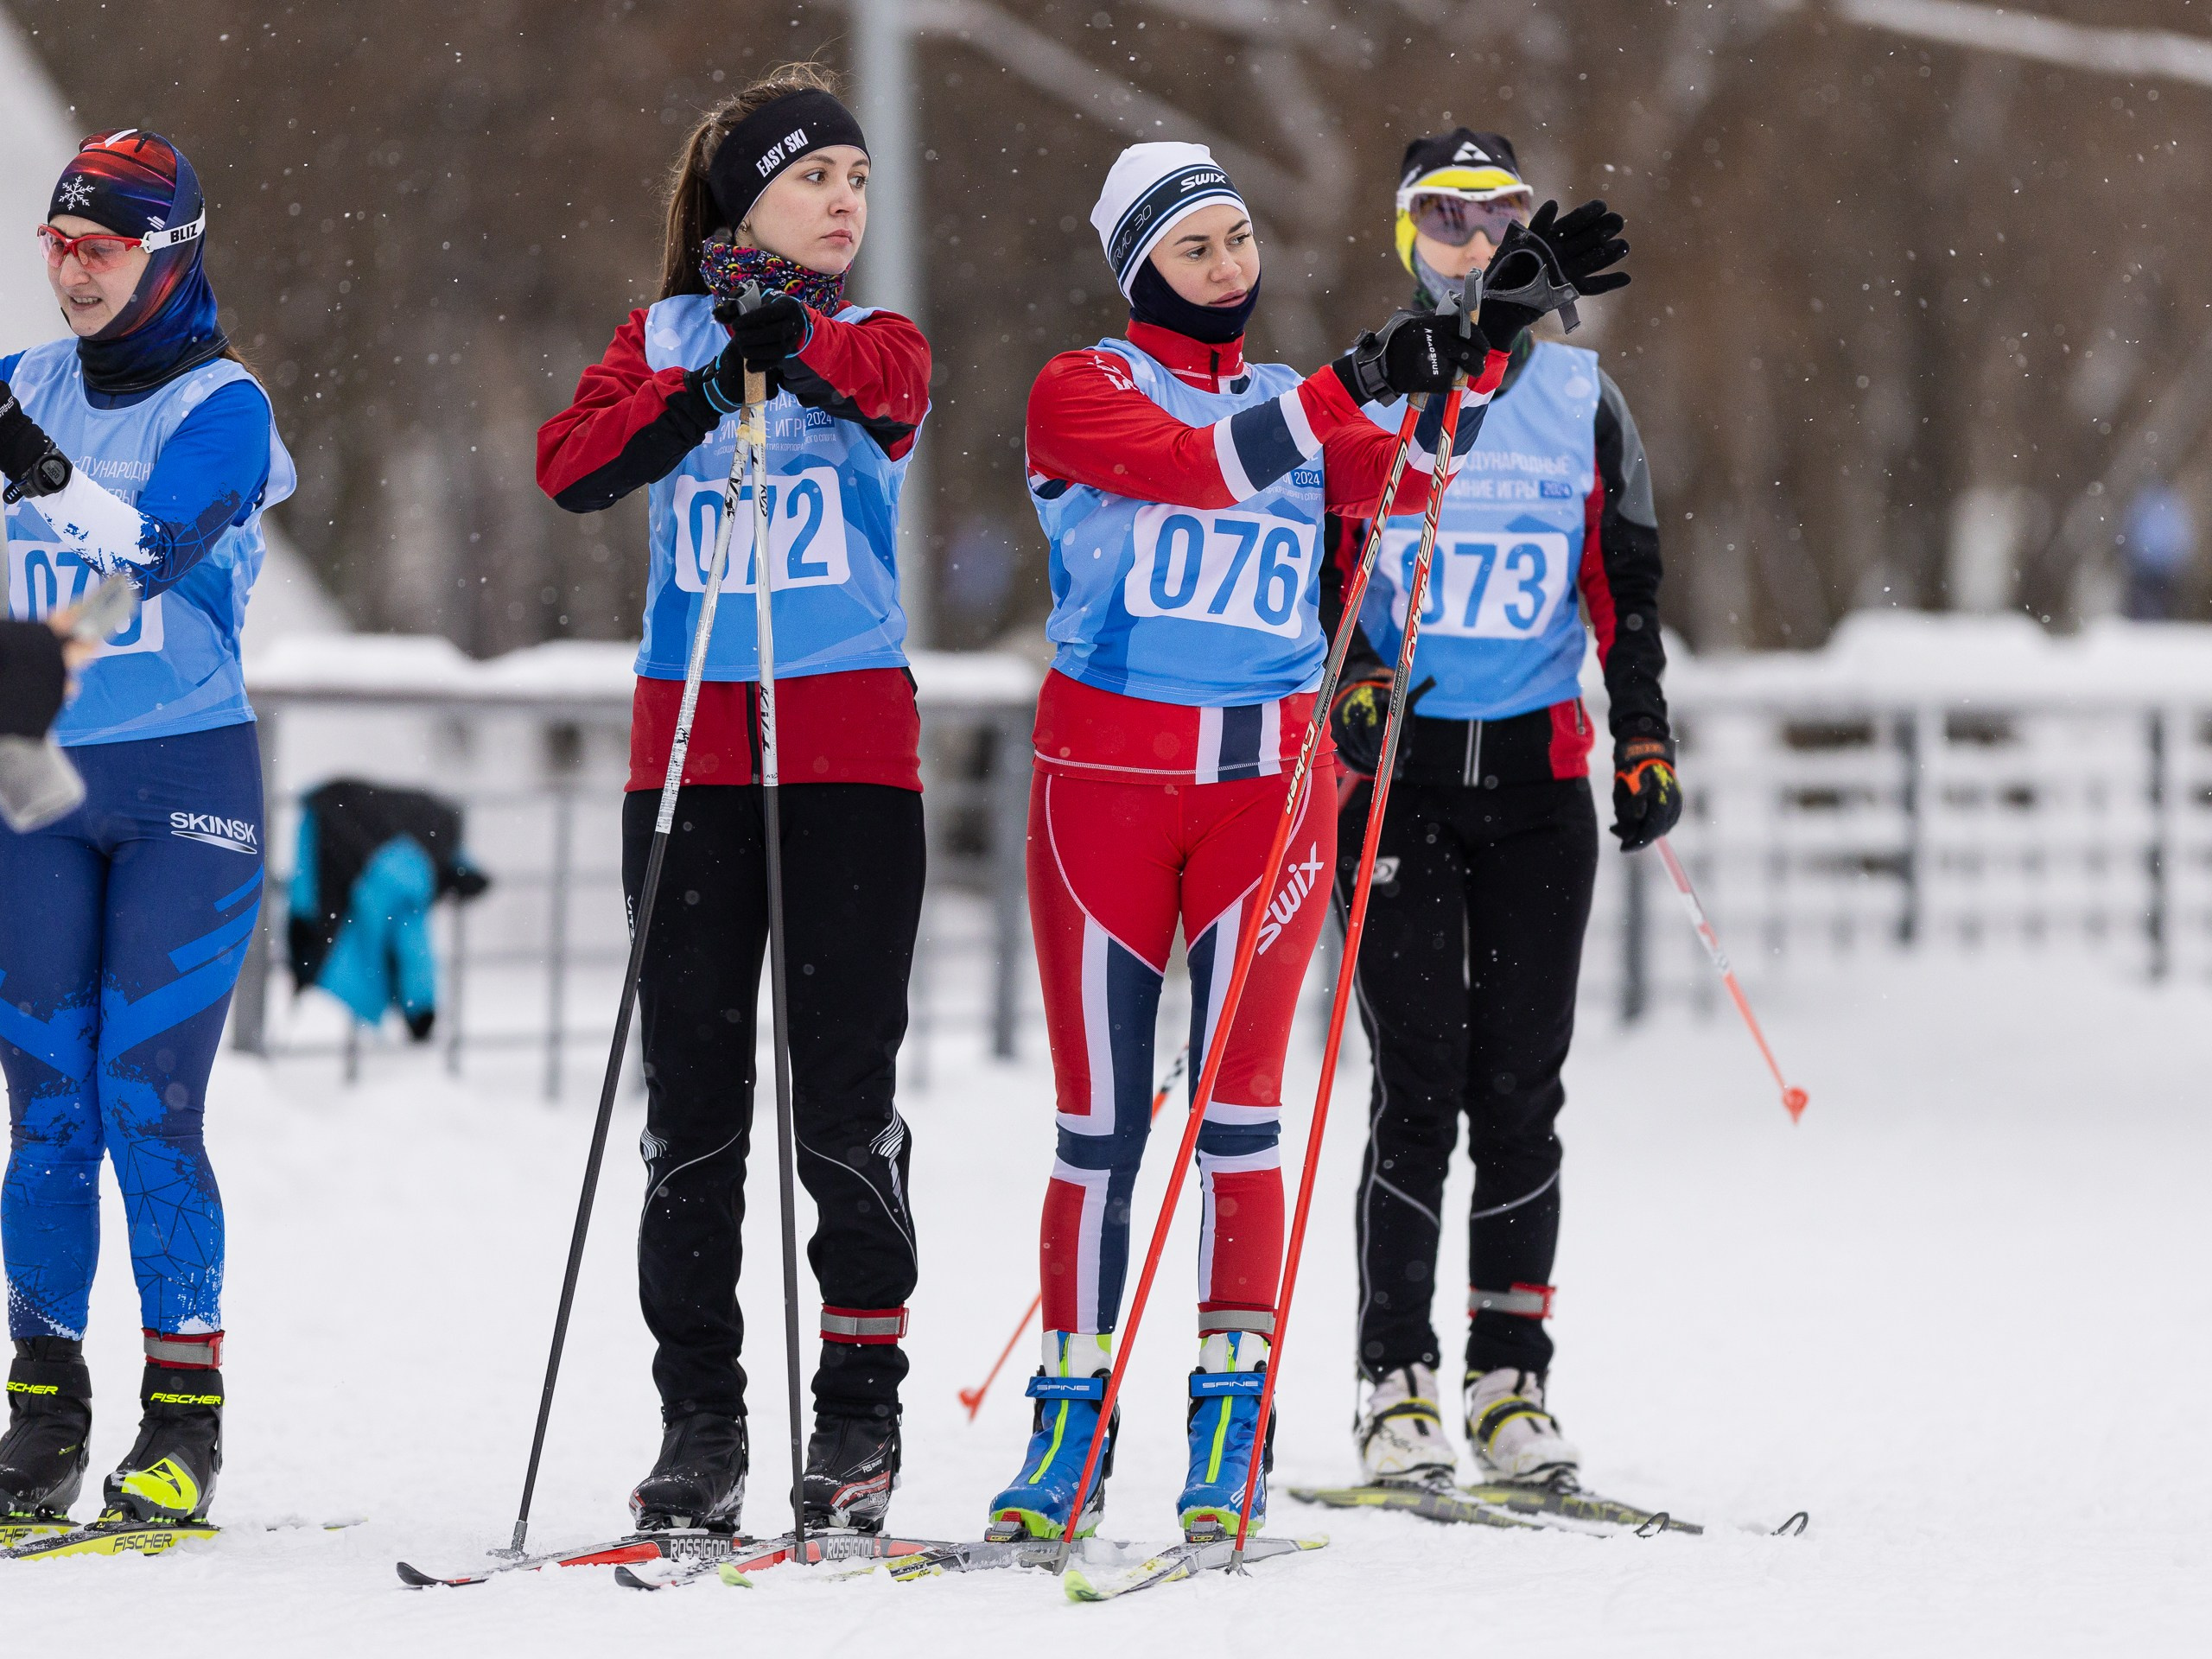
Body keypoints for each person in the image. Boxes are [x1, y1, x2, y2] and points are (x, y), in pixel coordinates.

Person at [985, 140, 1616, 1545]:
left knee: (1243, 1125)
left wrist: (1478, 342)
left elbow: (1422, 469)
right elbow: (1194, 470)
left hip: (1266, 806)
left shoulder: (1293, 400)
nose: (1229, 268)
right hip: (1105, 795)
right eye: (1196, 247)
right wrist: (1364, 379)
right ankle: (1068, 1431)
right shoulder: (1082, 391)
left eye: (1239, 241)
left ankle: (1233, 1430)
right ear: (1140, 264)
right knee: (1097, 1131)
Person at [537, 65, 929, 1536]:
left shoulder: (876, 331)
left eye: (859, 181)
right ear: (744, 194)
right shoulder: (654, 334)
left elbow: (891, 397)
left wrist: (800, 352)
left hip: (846, 758)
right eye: (818, 178)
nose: (847, 202)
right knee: (693, 1113)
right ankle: (700, 1421)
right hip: (691, 751)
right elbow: (571, 469)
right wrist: (705, 383)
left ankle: (859, 1416)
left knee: (845, 1109)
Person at [1322, 129, 1670, 1491]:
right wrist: (1353, 676)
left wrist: (1640, 734)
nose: (1471, 244)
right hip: (1404, 786)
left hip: (1534, 790)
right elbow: (1328, 548)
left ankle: (1508, 1381)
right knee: (1418, 1089)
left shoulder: (1582, 395)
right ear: (1406, 236)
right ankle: (1394, 1379)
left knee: (1520, 1090)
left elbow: (1624, 584)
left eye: (1494, 218)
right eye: (1445, 222)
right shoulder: (1376, 384)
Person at [0, 129, 295, 1530]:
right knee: (46, 1114)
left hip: (184, 785)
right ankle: (41, 1417)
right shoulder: (21, 385)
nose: (73, 273)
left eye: (103, 248)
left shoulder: (223, 403)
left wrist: (34, 467)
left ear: (170, 252)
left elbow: (155, 547)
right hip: (33, 793)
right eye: (57, 245)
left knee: (146, 1105)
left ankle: (184, 1421)